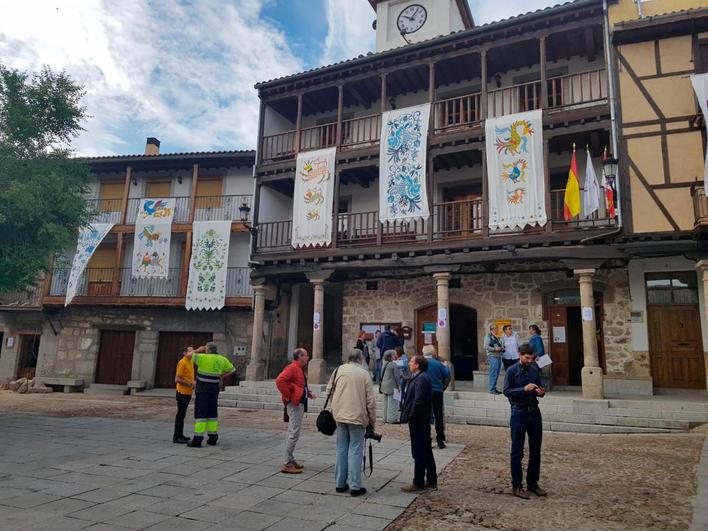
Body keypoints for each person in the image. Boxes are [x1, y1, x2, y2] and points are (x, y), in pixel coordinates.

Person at [326, 348, 376, 497]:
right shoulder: (364, 374)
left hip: (340, 415)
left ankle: (340, 483)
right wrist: (372, 420)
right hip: (357, 417)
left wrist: (337, 406)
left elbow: (329, 390)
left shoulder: (338, 370)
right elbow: (371, 402)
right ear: (360, 359)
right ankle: (355, 485)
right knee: (355, 450)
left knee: (341, 448)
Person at [503, 343, 547, 500]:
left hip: (534, 412)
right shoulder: (511, 370)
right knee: (517, 451)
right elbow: (506, 391)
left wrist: (540, 392)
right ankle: (517, 485)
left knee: (536, 450)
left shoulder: (535, 369)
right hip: (518, 412)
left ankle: (533, 483)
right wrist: (524, 389)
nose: (529, 360)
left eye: (532, 358)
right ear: (520, 355)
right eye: (527, 358)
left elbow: (540, 388)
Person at [400, 354, 437, 492]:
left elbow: (419, 400)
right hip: (421, 419)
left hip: (419, 420)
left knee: (419, 451)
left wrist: (411, 415)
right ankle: (432, 479)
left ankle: (419, 481)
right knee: (426, 450)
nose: (409, 363)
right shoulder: (420, 377)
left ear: (417, 365)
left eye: (411, 362)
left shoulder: (421, 379)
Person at [187, 342, 236, 448]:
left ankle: (197, 439)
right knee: (212, 413)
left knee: (201, 413)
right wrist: (221, 376)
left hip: (203, 389)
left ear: (207, 350)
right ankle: (213, 437)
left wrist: (198, 349)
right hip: (214, 389)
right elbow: (232, 370)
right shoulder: (222, 359)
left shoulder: (203, 357)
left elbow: (188, 355)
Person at [275, 348, 315, 474]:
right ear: (300, 356)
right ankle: (287, 463)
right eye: (306, 355)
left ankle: (290, 459)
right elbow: (280, 380)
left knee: (294, 432)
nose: (308, 358)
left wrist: (307, 393)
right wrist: (288, 396)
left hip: (299, 403)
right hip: (295, 404)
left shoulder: (299, 368)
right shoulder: (292, 368)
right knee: (293, 433)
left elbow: (298, 385)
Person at [422, 345, 451, 449]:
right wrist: (446, 366)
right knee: (438, 416)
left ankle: (427, 439)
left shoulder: (421, 363)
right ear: (433, 353)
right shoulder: (438, 363)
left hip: (424, 391)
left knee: (426, 415)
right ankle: (440, 439)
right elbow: (447, 374)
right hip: (437, 391)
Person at [173, 346, 195, 444]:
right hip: (182, 392)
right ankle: (177, 437)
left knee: (182, 415)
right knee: (180, 415)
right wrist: (190, 384)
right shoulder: (182, 362)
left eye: (193, 351)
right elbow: (177, 379)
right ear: (184, 353)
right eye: (190, 351)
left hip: (188, 392)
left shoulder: (190, 362)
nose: (192, 353)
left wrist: (192, 383)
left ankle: (180, 435)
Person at [380, 350, 401, 424]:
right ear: (391, 356)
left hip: (384, 385)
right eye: (394, 355)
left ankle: (385, 418)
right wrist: (398, 385)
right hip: (392, 385)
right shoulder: (393, 365)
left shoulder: (384, 364)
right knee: (392, 403)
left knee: (385, 403)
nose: (395, 356)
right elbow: (396, 376)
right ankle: (391, 419)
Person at [484, 325, 504, 395]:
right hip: (493, 357)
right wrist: (495, 349)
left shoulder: (495, 337)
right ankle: (492, 389)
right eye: (496, 328)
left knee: (496, 373)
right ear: (493, 329)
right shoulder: (488, 336)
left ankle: (494, 388)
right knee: (493, 373)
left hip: (497, 356)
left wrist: (501, 348)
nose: (498, 330)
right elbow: (485, 346)